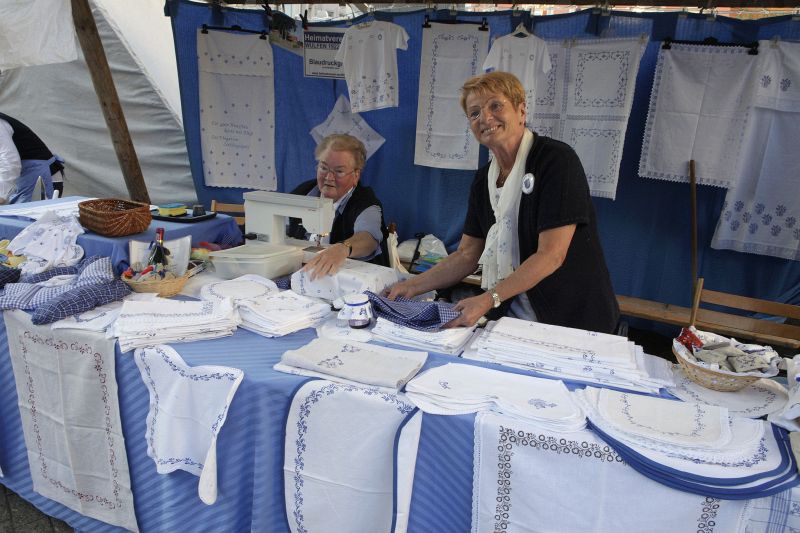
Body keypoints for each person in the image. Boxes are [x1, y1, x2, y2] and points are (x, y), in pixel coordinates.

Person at [387, 72, 619, 334]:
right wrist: (412, 285)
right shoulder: (483, 180)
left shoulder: (555, 161)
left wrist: (488, 299)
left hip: (571, 319)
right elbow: (466, 255)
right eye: (474, 113)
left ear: (521, 111)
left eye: (495, 106)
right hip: (513, 318)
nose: (485, 118)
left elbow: (551, 255)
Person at [288, 133, 389, 279]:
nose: (329, 177)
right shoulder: (303, 192)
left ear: (356, 175)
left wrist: (343, 248)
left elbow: (369, 238)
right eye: (324, 168)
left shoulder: (366, 203)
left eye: (339, 171)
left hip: (351, 281)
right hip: (304, 274)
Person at [0, 113, 64, 204]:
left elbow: (10, 161)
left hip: (41, 176)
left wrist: (1, 194)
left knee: (33, 212)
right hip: (24, 178)